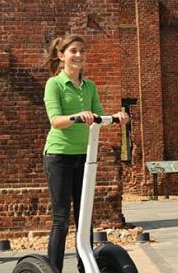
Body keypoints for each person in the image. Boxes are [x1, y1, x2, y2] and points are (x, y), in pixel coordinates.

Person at [42, 34, 129, 272]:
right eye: (73, 51)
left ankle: (85, 268)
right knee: (61, 218)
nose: (79, 55)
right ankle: (54, 269)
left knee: (84, 217)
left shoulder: (90, 86)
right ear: (61, 56)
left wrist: (116, 117)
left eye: (82, 51)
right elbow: (55, 120)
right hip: (59, 155)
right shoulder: (54, 84)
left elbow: (98, 115)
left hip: (84, 156)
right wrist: (77, 116)